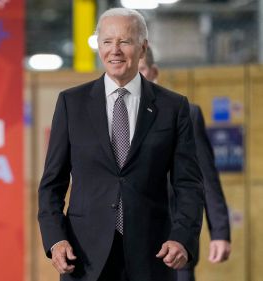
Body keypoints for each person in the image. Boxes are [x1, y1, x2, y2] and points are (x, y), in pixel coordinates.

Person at [37, 8, 205, 281]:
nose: (114, 50)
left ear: (142, 47)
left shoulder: (172, 107)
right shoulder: (71, 103)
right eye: (106, 42)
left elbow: (189, 184)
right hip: (83, 258)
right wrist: (55, 239)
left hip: (153, 256)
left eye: (124, 41)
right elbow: (51, 184)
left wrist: (183, 237)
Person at [138, 47, 231, 281]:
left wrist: (220, 232)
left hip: (175, 239)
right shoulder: (112, 116)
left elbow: (205, 178)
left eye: (140, 70)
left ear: (153, 72)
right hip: (130, 240)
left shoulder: (185, 113)